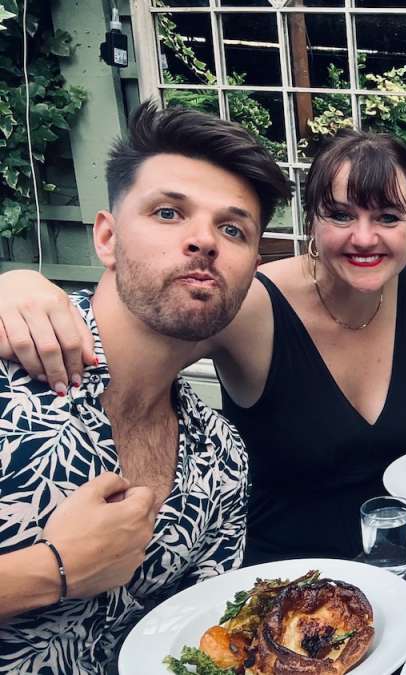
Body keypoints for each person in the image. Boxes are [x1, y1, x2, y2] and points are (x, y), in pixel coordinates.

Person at [0, 128, 406, 564]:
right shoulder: (249, 303)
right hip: (280, 581)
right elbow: (135, 330)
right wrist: (19, 287)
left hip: (405, 561)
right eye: (340, 215)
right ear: (312, 226)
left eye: (388, 217)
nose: (364, 237)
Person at [0, 102, 291, 673]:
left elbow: (207, 646)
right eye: (167, 213)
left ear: (252, 267)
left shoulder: (222, 460)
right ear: (106, 237)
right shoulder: (9, 382)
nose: (204, 241)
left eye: (232, 229)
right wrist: (54, 570)